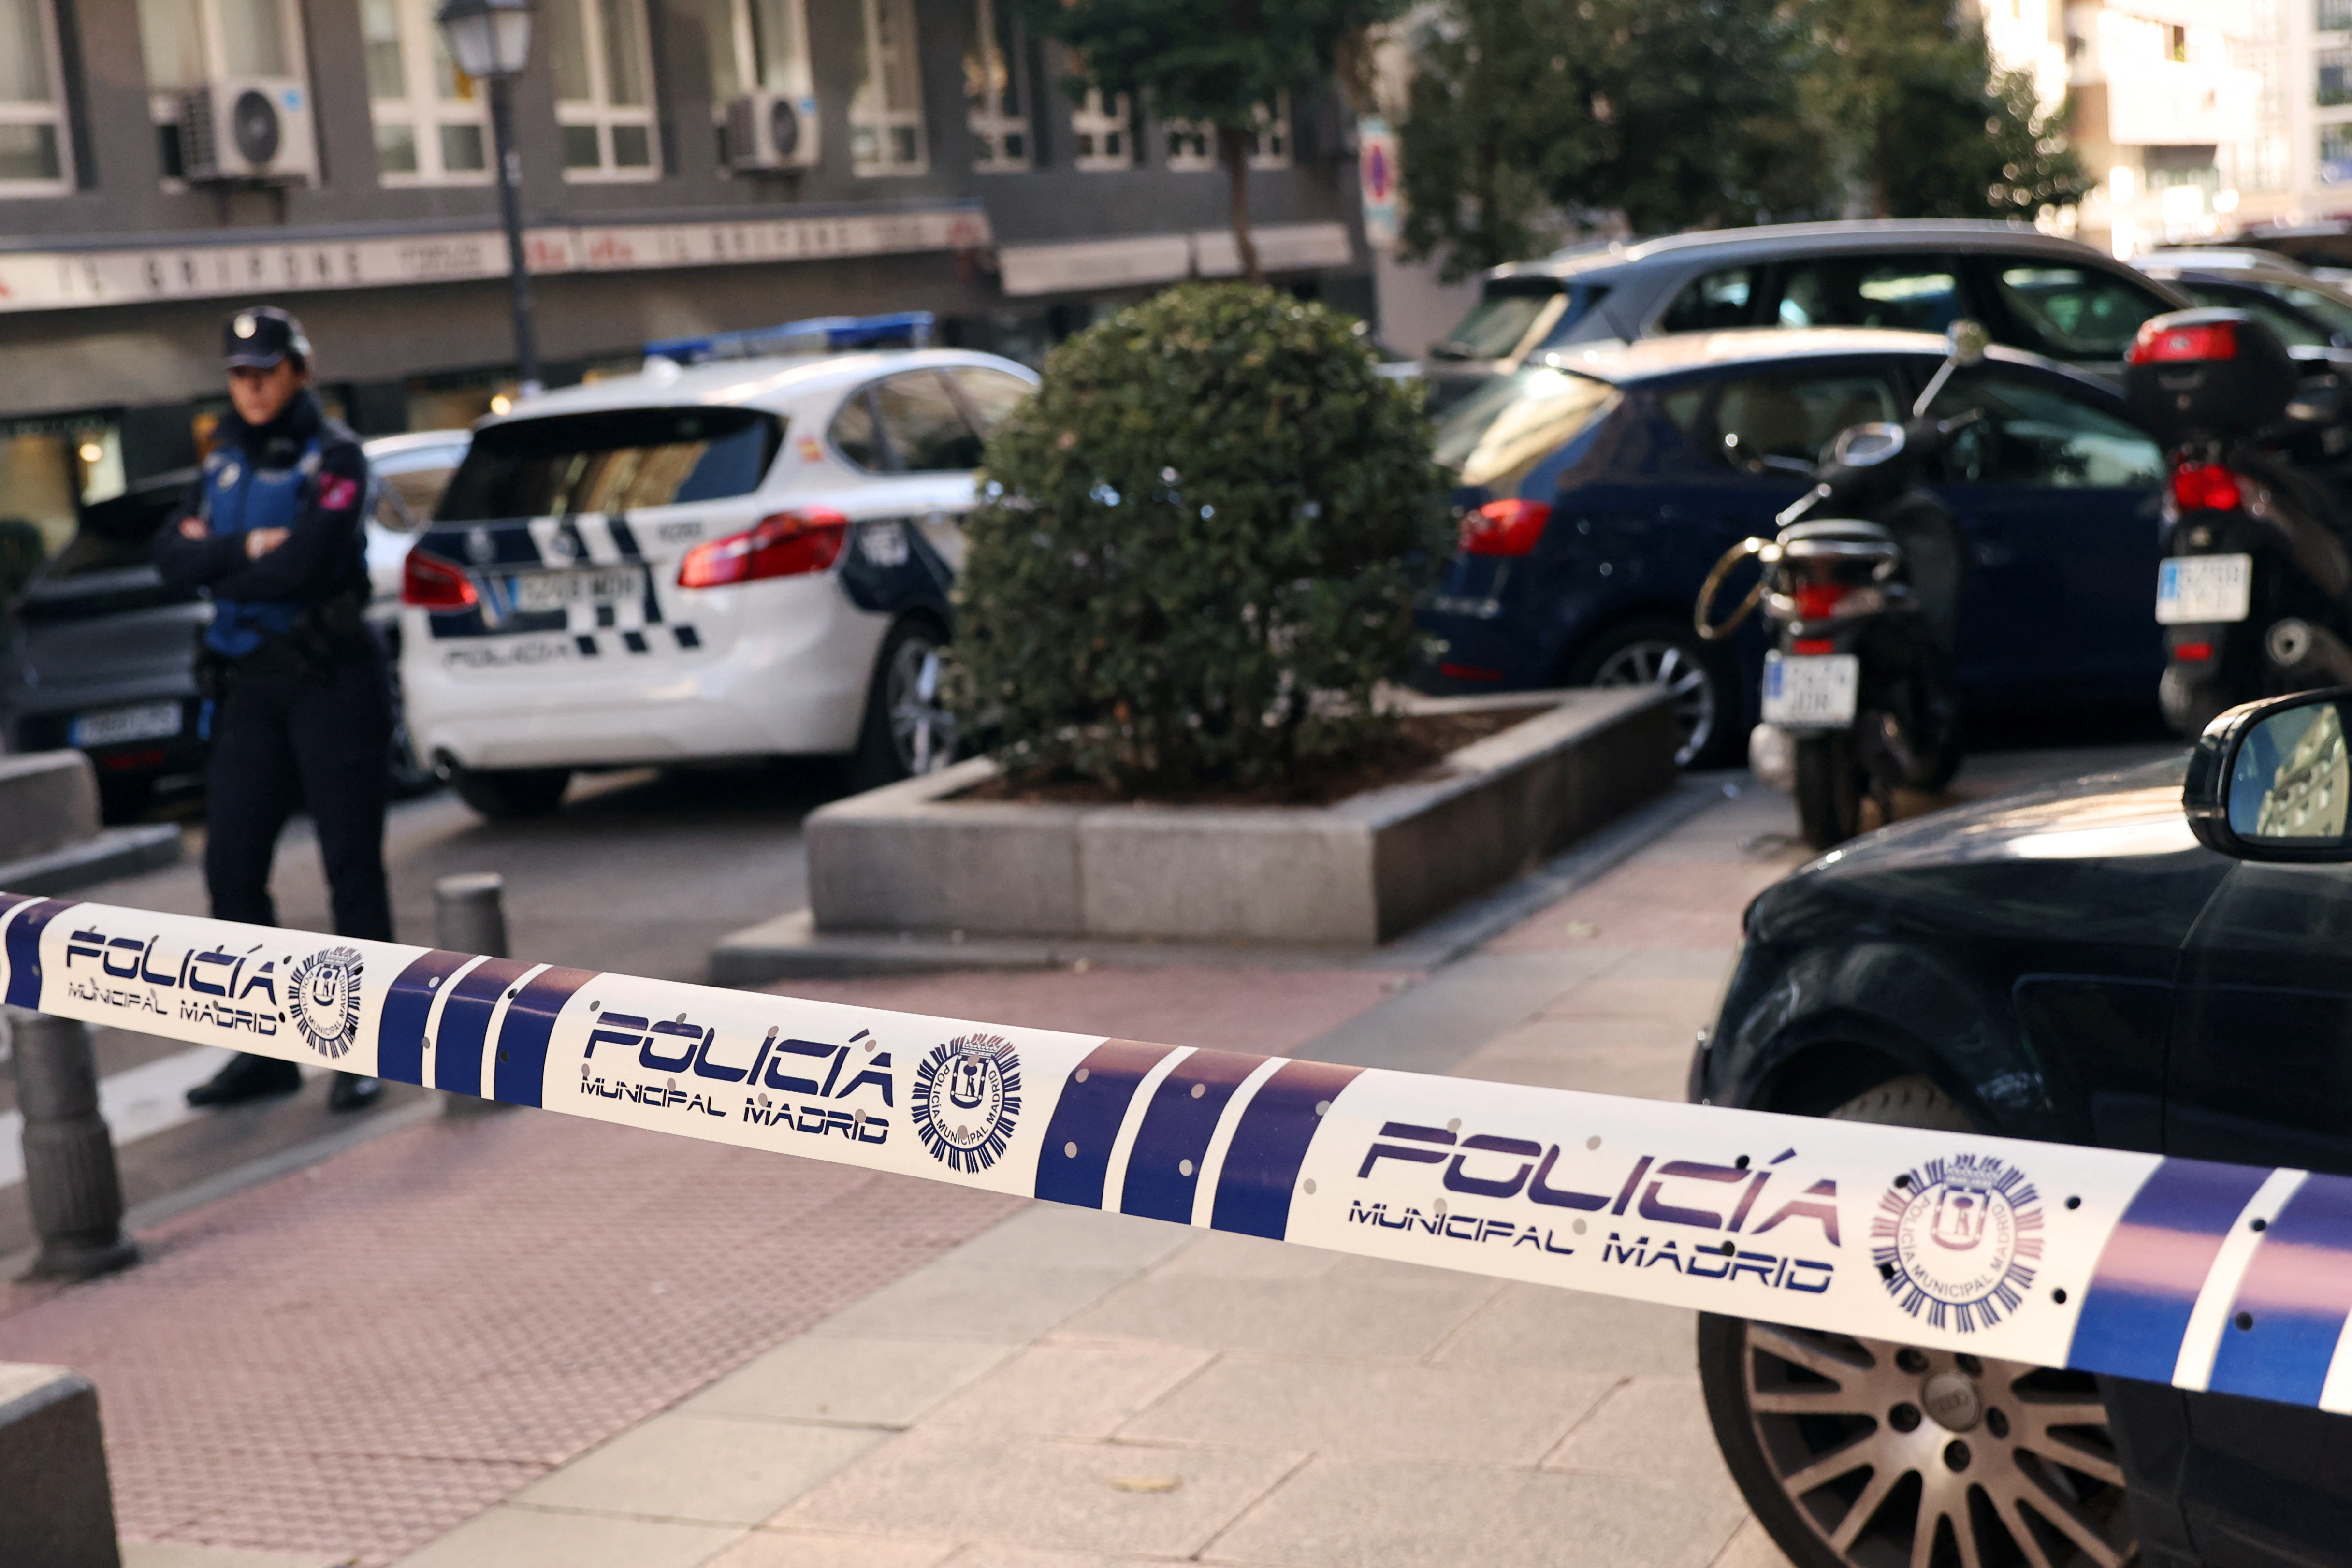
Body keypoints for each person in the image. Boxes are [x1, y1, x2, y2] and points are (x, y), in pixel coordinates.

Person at [156, 306, 389, 1112]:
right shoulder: (219, 462)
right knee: (231, 869)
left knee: (350, 869)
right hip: (249, 684)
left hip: (329, 676)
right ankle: (266, 1053)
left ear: (299, 370)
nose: (251, 387)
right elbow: (169, 558)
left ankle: (364, 1050)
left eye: (266, 370)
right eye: (239, 373)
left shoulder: (338, 456)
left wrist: (221, 566)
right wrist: (243, 553)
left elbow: (307, 564)